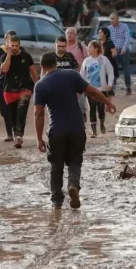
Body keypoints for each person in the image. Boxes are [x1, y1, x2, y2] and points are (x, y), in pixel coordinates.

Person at [33, 52, 116, 209]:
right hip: (77, 129)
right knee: (74, 162)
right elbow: (91, 91)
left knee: (56, 166)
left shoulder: (41, 85)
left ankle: (57, 202)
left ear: (42, 67)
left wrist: (39, 139)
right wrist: (107, 103)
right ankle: (73, 186)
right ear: (56, 63)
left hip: (56, 131)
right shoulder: (71, 75)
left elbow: (38, 113)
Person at [0, 35, 39, 148]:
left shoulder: (26, 56)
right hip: (9, 90)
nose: (15, 48)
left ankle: (19, 136)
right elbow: (4, 69)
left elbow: (33, 72)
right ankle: (16, 134)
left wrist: (38, 85)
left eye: (17, 46)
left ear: (20, 45)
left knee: (21, 113)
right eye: (12, 45)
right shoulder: (4, 56)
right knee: (12, 114)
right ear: (8, 45)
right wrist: (9, 55)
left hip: (25, 89)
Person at [0, 30, 18, 142]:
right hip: (2, 84)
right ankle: (10, 132)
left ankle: (15, 133)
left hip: (16, 85)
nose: (9, 42)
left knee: (15, 109)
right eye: (7, 40)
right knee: (4, 110)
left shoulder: (20, 52)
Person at [80, 40, 114, 137]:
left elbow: (110, 72)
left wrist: (110, 84)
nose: (88, 49)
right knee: (91, 109)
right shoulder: (86, 61)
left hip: (102, 89)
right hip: (90, 89)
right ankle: (94, 131)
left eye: (90, 47)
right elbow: (82, 75)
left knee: (101, 108)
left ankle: (102, 123)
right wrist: (82, 87)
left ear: (96, 49)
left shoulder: (103, 59)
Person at [107, 13, 132, 95]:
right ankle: (112, 88)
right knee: (113, 69)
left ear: (118, 18)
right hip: (114, 51)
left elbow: (127, 38)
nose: (112, 20)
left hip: (123, 50)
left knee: (126, 69)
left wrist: (124, 48)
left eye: (113, 18)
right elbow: (108, 41)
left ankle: (128, 87)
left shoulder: (124, 26)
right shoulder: (109, 28)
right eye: (110, 19)